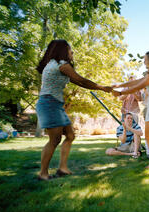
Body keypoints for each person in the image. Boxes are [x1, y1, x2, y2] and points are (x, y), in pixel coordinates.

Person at [35, 39, 113, 180]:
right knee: (55, 139)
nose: (72, 52)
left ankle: (63, 168)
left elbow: (78, 82)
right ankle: (43, 173)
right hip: (49, 103)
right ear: (63, 51)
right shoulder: (61, 65)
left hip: (56, 104)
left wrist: (101, 87)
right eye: (70, 50)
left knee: (70, 135)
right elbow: (82, 80)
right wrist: (102, 88)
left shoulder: (56, 65)